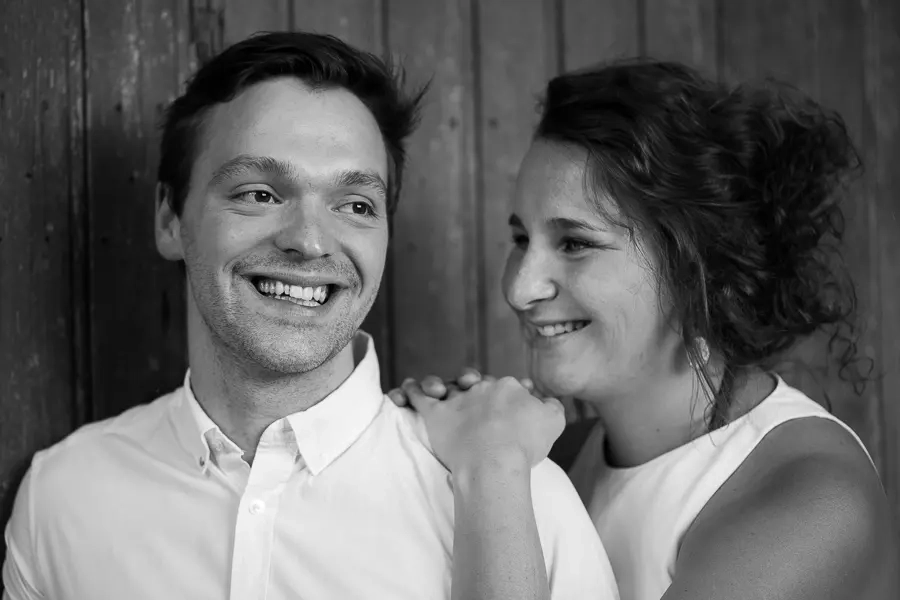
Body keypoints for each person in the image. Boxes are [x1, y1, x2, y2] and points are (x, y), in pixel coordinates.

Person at [1, 32, 619, 600]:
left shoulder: (520, 503)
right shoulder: (62, 497)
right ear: (170, 218)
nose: (311, 241)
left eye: (354, 204)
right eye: (260, 195)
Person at [390, 59, 900, 600]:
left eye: (574, 243)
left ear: (696, 264)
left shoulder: (809, 497)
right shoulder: (554, 458)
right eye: (521, 240)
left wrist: (492, 468)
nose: (520, 289)